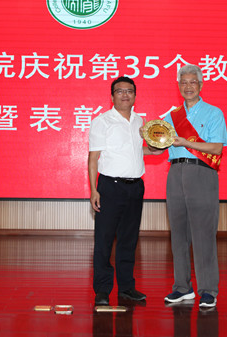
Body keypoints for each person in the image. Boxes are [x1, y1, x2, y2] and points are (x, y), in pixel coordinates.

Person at [88, 76, 162, 306]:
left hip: (135, 187)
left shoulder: (140, 121)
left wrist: (156, 148)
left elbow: (137, 150)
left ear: (135, 96)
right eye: (119, 91)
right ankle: (102, 290)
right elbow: (93, 158)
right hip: (110, 187)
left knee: (129, 240)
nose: (125, 95)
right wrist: (94, 190)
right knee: (104, 240)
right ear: (112, 96)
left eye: (129, 91)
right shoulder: (102, 121)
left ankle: (127, 287)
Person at [162, 64, 227, 309]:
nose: (188, 86)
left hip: (201, 173)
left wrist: (186, 142)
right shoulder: (170, 117)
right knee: (178, 234)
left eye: (192, 82)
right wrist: (146, 138)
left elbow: (217, 148)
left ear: (200, 85)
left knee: (203, 234)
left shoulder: (213, 113)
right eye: (183, 82)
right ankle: (182, 287)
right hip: (175, 172)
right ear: (178, 86)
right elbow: (159, 148)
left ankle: (208, 290)